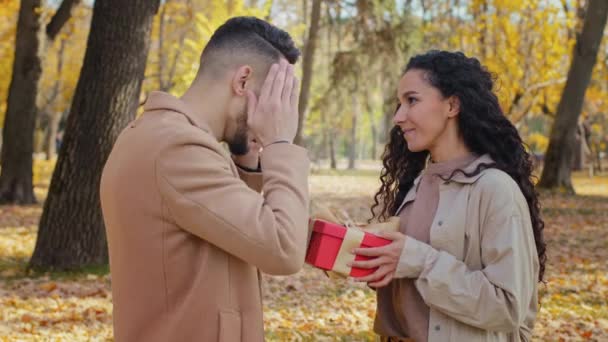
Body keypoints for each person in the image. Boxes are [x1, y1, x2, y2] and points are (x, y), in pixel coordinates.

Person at [100, 17, 309, 342]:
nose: (276, 112)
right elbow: (282, 248)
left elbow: (229, 224)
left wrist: (248, 161)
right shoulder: (176, 148)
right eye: (274, 98)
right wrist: (280, 144)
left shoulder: (163, 137)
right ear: (243, 81)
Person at [349, 50, 546, 342]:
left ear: (452, 105)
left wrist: (420, 261)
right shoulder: (419, 184)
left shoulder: (494, 188)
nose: (399, 117)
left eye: (411, 101)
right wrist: (368, 256)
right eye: (398, 104)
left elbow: (507, 307)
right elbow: (410, 277)